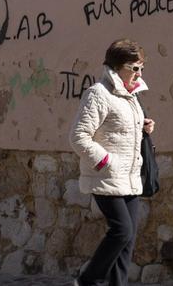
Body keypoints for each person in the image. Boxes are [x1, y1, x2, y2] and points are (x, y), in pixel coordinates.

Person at [70, 39, 156, 286]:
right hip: (106, 175)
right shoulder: (98, 93)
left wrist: (144, 127)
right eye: (134, 68)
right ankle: (88, 279)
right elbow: (78, 136)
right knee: (121, 231)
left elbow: (120, 130)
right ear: (117, 67)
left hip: (129, 177)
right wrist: (106, 162)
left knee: (128, 242)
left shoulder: (130, 95)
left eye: (141, 68)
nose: (139, 74)